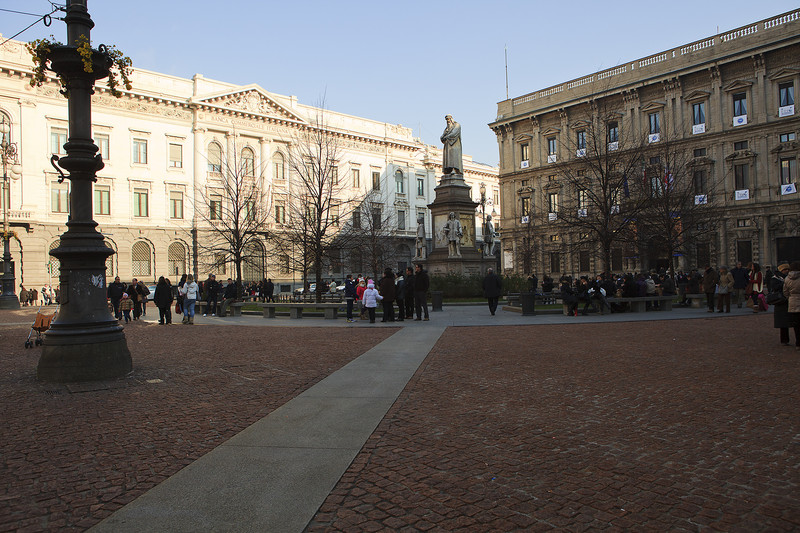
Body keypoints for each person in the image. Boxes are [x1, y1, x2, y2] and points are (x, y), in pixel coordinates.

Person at [771, 264, 793, 346]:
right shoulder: (775, 278)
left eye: (787, 269)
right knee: (783, 323)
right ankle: (784, 340)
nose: (786, 271)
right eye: (785, 269)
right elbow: (774, 287)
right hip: (781, 302)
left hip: (789, 301)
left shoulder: (790, 278)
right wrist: (784, 284)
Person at [783, 261, 800, 351]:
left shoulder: (787, 279)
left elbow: (785, 292)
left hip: (792, 302)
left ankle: (798, 343)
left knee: (796, 325)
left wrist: (791, 298)